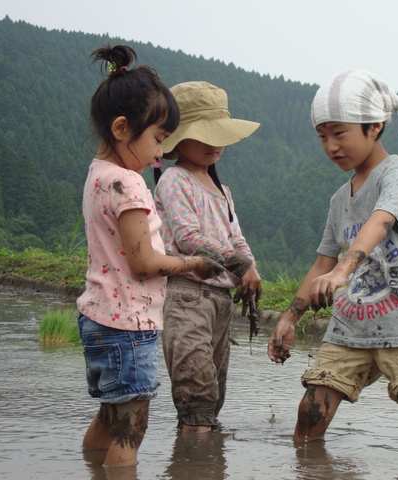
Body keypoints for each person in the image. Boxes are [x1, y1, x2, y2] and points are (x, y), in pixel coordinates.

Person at [267, 70, 398, 452]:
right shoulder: (338, 200)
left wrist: (343, 271)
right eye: (322, 136)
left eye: (339, 133)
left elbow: (380, 221)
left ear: (375, 127)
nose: (330, 146)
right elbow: (321, 263)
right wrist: (289, 317)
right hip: (352, 324)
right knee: (310, 415)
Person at [77, 45, 224, 467]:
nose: (161, 153)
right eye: (158, 139)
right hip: (128, 324)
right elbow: (144, 263)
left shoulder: (97, 174)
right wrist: (193, 262)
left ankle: (89, 469)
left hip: (97, 318)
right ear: (123, 128)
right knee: (131, 429)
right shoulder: (129, 183)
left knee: (109, 417)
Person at [154, 81, 262, 434]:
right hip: (187, 296)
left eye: (219, 136)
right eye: (204, 136)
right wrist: (240, 266)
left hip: (220, 302)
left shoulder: (222, 190)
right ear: (178, 139)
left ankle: (201, 463)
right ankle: (193, 463)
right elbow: (188, 239)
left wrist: (251, 266)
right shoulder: (174, 180)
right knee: (196, 397)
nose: (214, 145)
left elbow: (237, 238)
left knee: (214, 394)